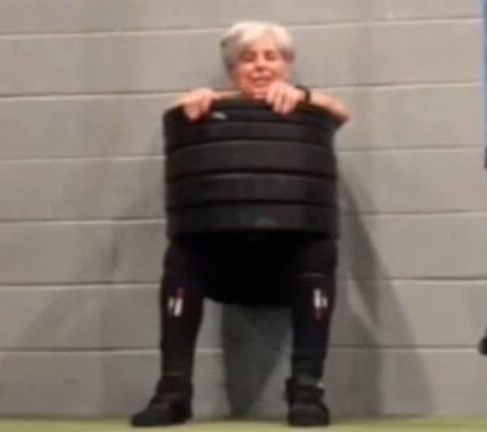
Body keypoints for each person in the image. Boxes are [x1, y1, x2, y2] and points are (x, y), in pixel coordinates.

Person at [131, 20, 350, 428]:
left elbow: (340, 113)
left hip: (289, 266)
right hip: (225, 267)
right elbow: (177, 111)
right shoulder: (210, 104)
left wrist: (303, 97)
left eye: (272, 57)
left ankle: (307, 392)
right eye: (248, 59)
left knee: (319, 246)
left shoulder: (309, 107)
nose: (261, 66)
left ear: (287, 65)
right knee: (182, 252)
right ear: (233, 69)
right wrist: (195, 101)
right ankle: (173, 393)